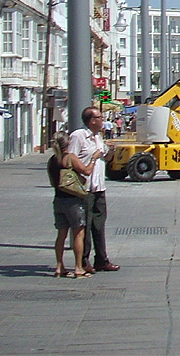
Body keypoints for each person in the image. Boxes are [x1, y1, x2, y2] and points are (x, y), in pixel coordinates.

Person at [68, 106, 120, 272]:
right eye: (100, 118)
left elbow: (106, 158)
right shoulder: (78, 136)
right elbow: (71, 158)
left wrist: (111, 151)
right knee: (85, 225)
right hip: (84, 188)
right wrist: (89, 163)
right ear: (91, 121)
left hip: (99, 187)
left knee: (99, 225)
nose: (102, 120)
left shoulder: (98, 137)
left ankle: (102, 260)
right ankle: (83, 261)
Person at [47, 130, 92, 278]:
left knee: (61, 234)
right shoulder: (70, 158)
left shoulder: (52, 160)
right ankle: (78, 267)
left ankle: (59, 266)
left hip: (58, 199)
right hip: (73, 201)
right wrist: (94, 159)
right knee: (78, 234)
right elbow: (86, 171)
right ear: (68, 143)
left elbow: (53, 181)